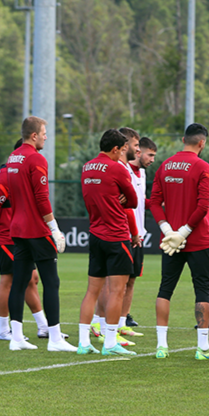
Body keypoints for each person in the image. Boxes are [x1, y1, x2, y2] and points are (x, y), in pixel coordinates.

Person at [149, 123, 209, 360]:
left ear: (184, 139)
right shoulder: (203, 166)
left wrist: (167, 230)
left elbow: (153, 202)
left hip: (169, 241)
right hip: (197, 239)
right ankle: (202, 348)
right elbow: (203, 205)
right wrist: (183, 232)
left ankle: (161, 346)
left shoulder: (164, 165)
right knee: (203, 289)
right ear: (202, 142)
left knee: (165, 288)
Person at [6, 116, 76, 352]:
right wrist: (54, 228)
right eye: (44, 132)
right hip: (36, 229)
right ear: (33, 135)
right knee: (51, 282)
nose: (47, 136)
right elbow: (41, 197)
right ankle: (55, 339)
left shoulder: (13, 157)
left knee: (19, 281)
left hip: (17, 228)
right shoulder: (36, 158)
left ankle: (16, 337)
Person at [0, 139, 56, 341]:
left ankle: (43, 326)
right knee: (9, 280)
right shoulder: (7, 173)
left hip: (20, 234)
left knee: (31, 279)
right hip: (7, 235)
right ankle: (3, 329)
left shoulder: (17, 170)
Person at [77, 129, 139, 356]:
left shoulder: (87, 167)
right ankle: (110, 342)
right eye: (122, 150)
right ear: (115, 149)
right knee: (116, 291)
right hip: (116, 236)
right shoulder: (116, 168)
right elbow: (132, 201)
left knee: (92, 291)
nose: (122, 154)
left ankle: (83, 342)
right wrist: (119, 197)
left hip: (95, 234)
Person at [124, 136, 157, 328]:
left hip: (139, 234)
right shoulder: (124, 170)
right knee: (116, 282)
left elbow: (141, 202)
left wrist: (161, 203)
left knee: (131, 280)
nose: (152, 159)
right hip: (125, 234)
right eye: (150, 154)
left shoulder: (142, 174)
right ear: (139, 152)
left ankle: (124, 317)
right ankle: (101, 320)